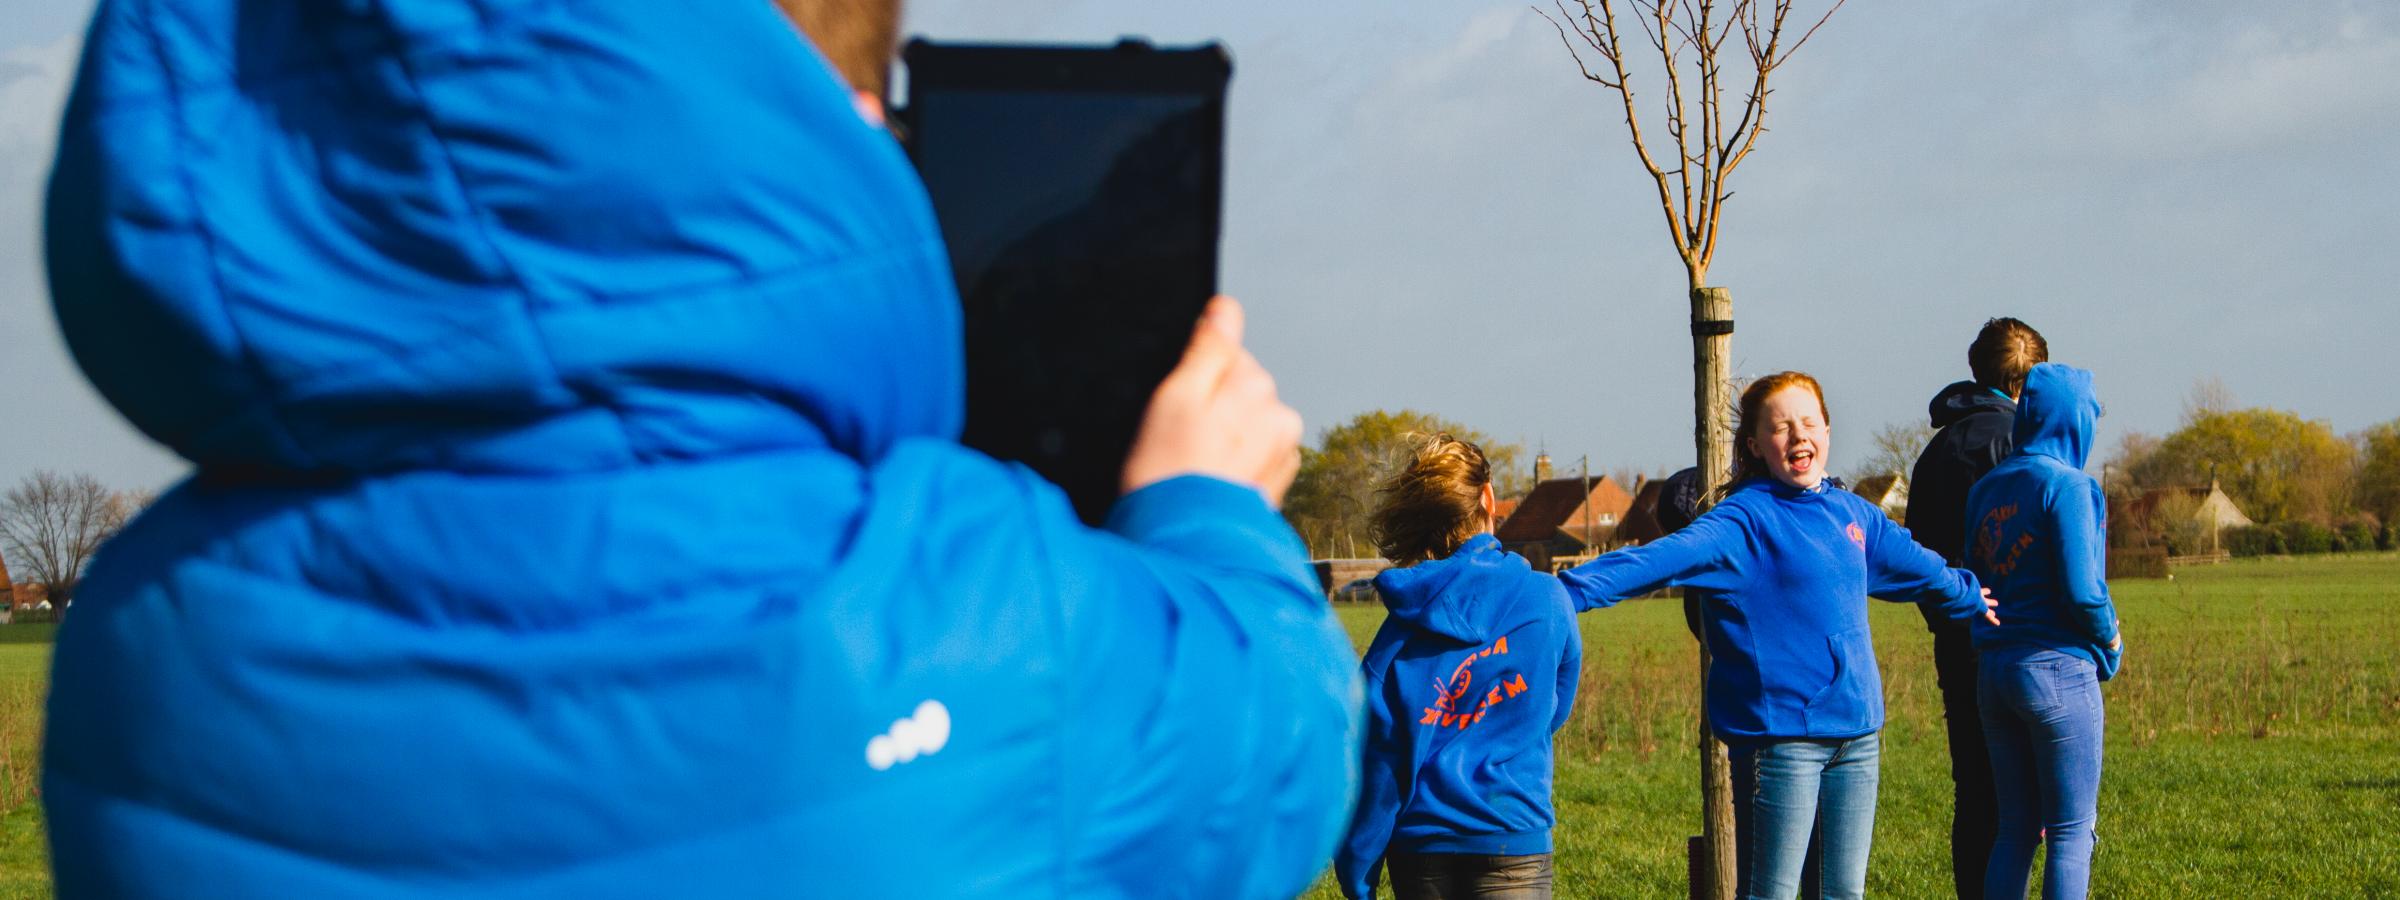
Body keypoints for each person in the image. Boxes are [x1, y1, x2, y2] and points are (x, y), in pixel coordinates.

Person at [39, 2, 1361, 896]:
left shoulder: (143, 642)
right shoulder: (976, 609)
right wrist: (1203, 507)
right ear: (837, 122)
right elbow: (1282, 742)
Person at [1557, 372, 1997, 900]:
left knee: (1842, 894)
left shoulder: (1853, 515)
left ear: (1828, 432)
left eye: (1809, 422)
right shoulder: (1743, 522)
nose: (1798, 436)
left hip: (1856, 737)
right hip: (1780, 741)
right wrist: (1563, 594)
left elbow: (1920, 566)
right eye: (1781, 427)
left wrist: (1969, 596)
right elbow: (1653, 562)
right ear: (1755, 445)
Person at [1335, 436, 1581, 900]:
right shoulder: (1548, 600)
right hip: (1513, 838)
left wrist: (1357, 868)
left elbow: (1380, 762)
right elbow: (1554, 706)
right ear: (1488, 498)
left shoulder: (1398, 637)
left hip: (1423, 852)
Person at [1963, 363, 2122, 900]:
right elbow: (2084, 590)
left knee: (2015, 829)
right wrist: (2111, 638)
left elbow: (1973, 577)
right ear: (2076, 420)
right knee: (2071, 833)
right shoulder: (2070, 486)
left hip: (1994, 671)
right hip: (2058, 668)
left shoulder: (1986, 488)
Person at [1903, 317, 2048, 899]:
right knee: (2031, 800)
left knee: (1975, 789)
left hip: (1956, 638)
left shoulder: (1935, 452)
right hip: (2019, 641)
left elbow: (1917, 555)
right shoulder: (2023, 447)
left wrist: (1948, 620)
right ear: (2032, 383)